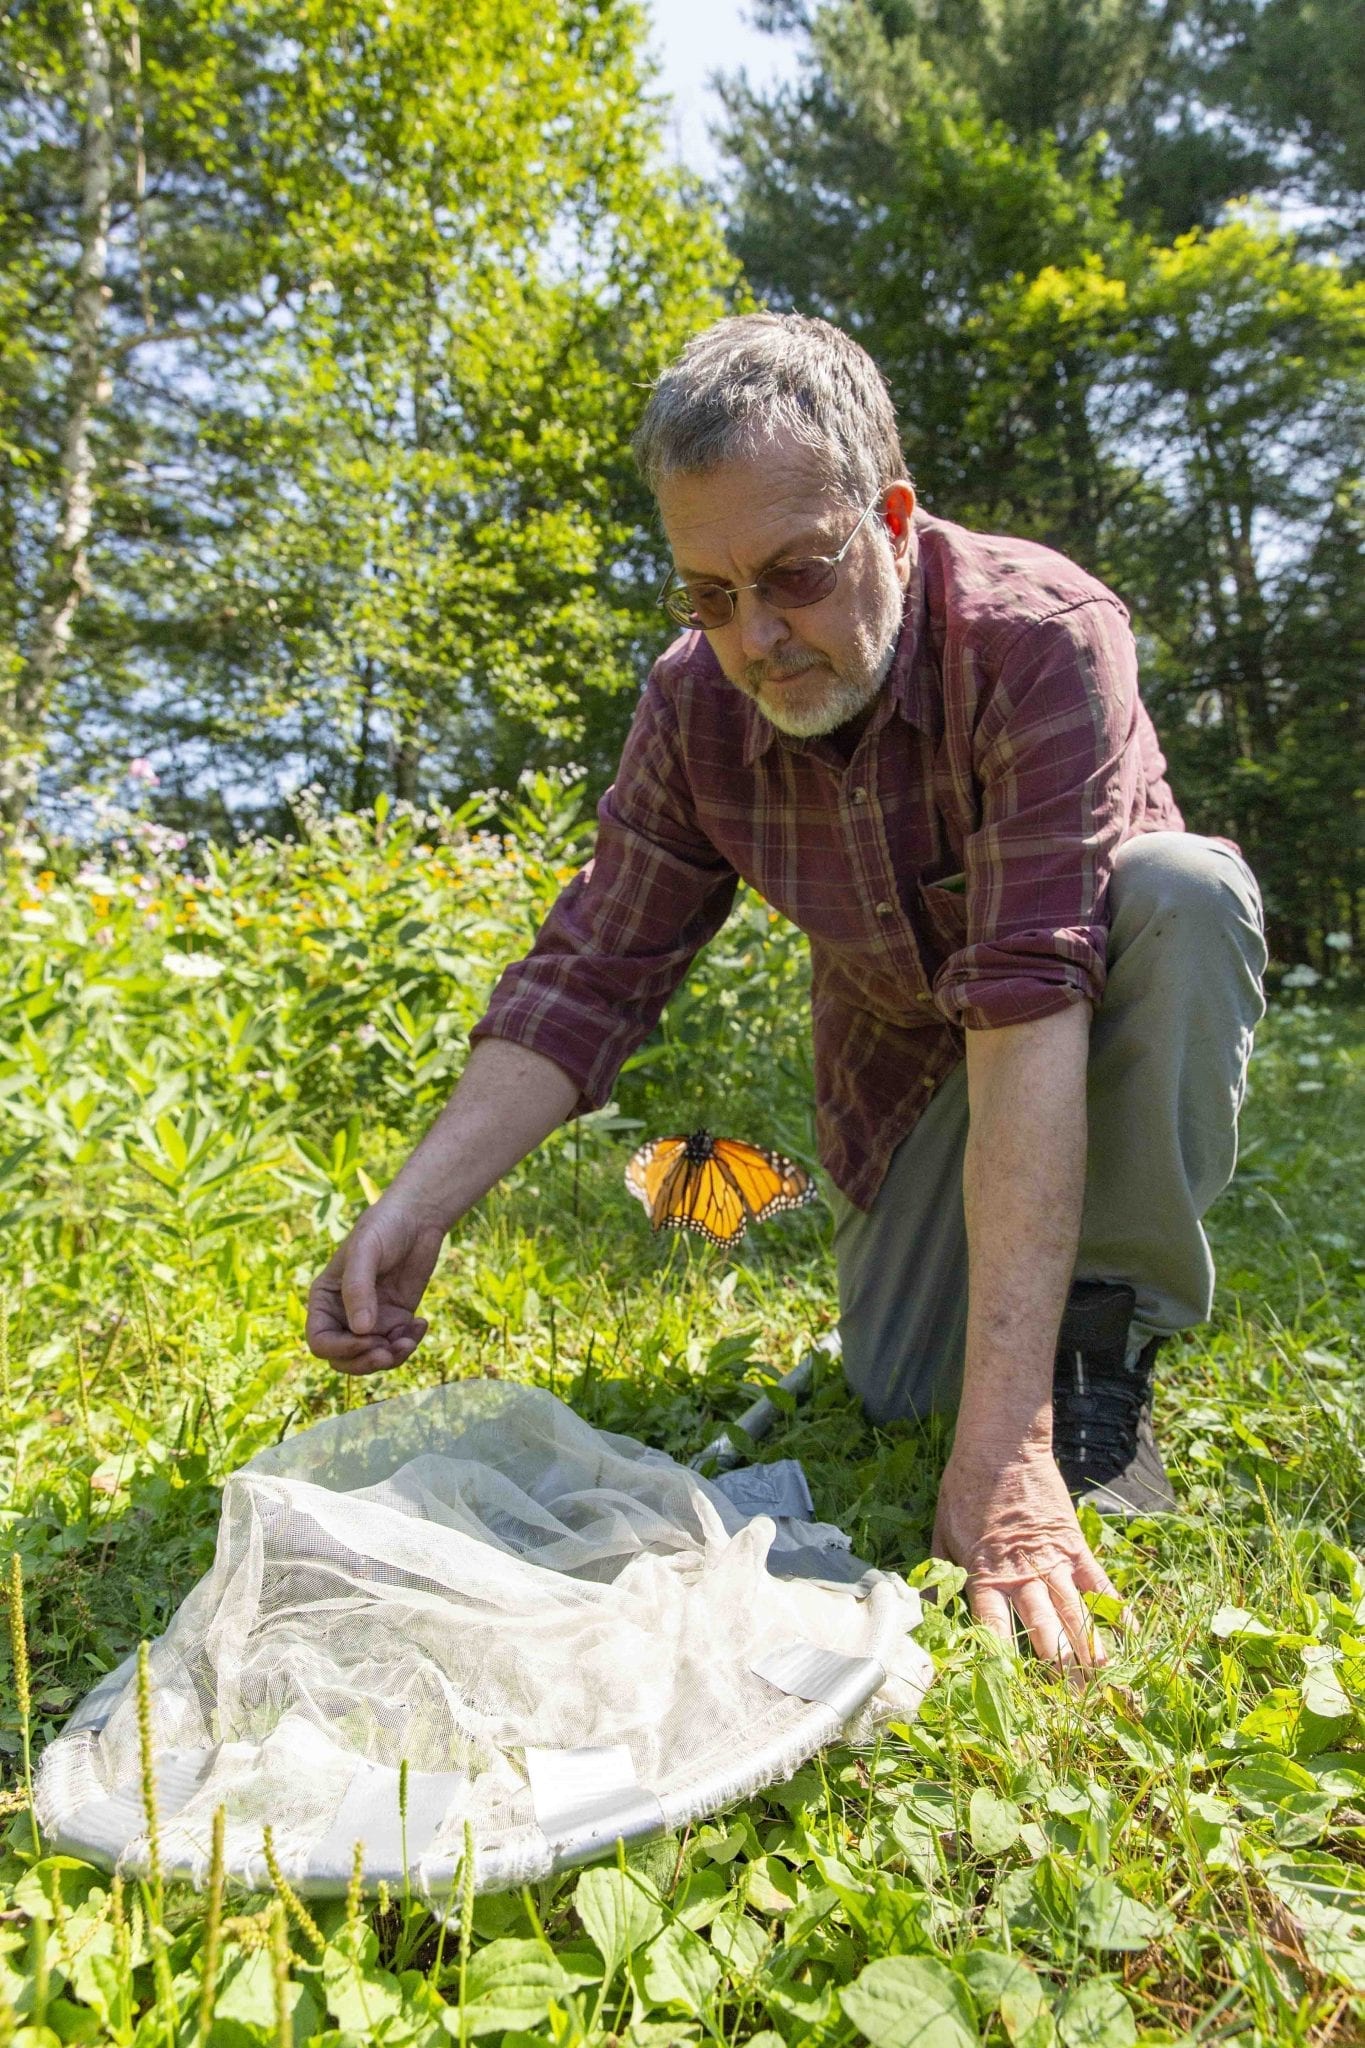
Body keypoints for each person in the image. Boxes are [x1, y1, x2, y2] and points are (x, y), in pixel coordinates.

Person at [306, 313, 1266, 1671]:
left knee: (1178, 889)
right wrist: (417, 1203)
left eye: (793, 576)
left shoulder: (1038, 639)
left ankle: (1098, 1342)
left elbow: (1029, 1001)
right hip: (909, 1108)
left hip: (1069, 1046)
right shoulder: (694, 708)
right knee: (903, 1396)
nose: (756, 639)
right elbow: (592, 972)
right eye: (707, 594)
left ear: (887, 516)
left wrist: (1009, 1455)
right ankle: (1007, 1359)